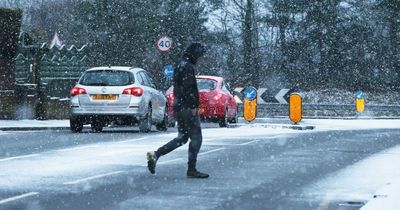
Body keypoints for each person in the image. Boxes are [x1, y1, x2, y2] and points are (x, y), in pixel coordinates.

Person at [146, 43, 209, 179]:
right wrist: (193, 106)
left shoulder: (180, 64)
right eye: (200, 56)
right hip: (187, 107)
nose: (200, 59)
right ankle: (191, 169)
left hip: (179, 106)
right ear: (195, 54)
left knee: (182, 138)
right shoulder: (187, 66)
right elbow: (188, 88)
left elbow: (179, 87)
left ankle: (156, 154)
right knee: (196, 138)